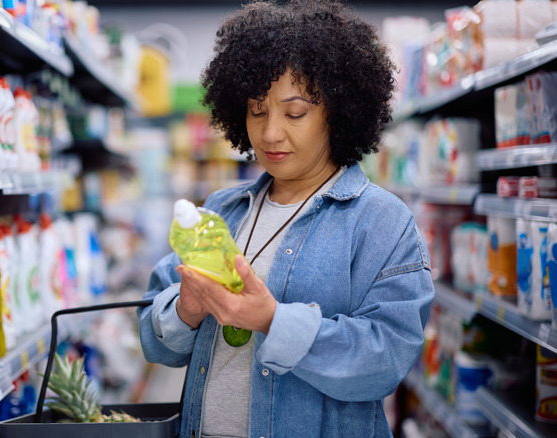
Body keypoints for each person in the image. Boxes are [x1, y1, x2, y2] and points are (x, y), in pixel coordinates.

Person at [138, 1, 435, 437]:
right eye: (257, 110)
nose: (270, 132)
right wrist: (186, 310)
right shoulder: (222, 210)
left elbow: (386, 358)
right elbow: (152, 336)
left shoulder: (382, 222)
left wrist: (273, 322)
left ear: (338, 111)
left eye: (295, 113)